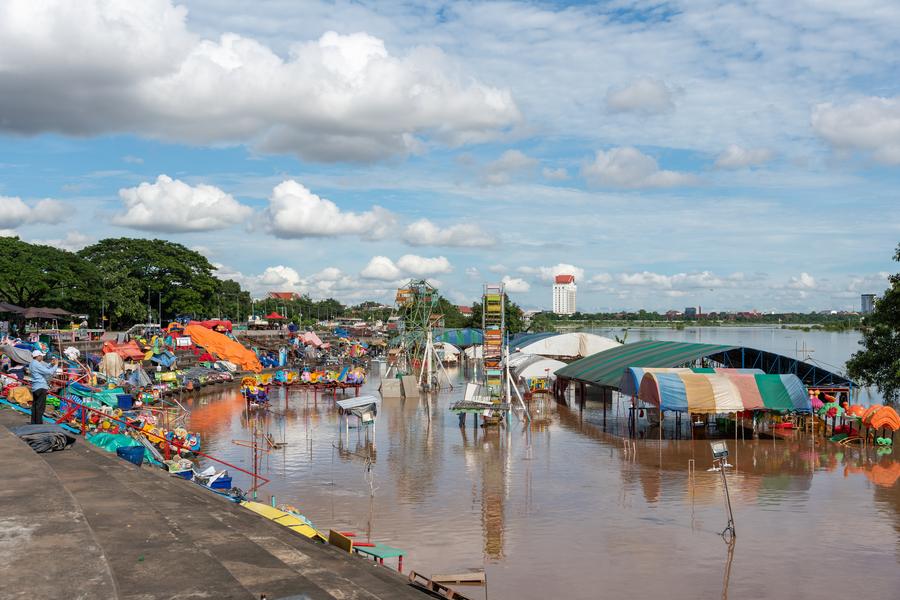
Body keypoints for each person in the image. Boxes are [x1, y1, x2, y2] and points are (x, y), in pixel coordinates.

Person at [28, 350, 59, 424]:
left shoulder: (32, 363)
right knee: (40, 407)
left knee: (35, 406)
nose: (42, 357)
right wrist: (56, 365)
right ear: (38, 356)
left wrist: (50, 364)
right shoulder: (36, 364)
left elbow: (43, 368)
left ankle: (34, 422)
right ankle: (38, 423)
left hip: (35, 387)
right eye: (41, 356)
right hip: (41, 387)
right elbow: (49, 372)